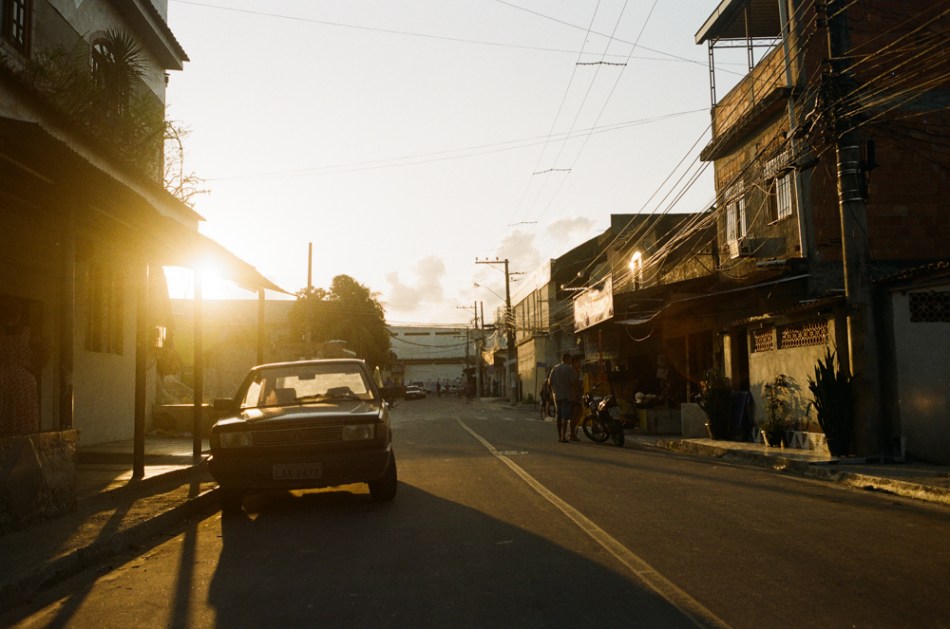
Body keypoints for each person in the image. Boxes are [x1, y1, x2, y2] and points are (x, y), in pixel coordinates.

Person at [0, 297, 40, 436]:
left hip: (3, 379)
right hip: (23, 380)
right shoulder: (27, 332)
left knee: (5, 412)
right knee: (23, 414)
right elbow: (43, 352)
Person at [547, 352, 577, 443]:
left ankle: (559, 436)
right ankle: (563, 437)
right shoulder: (570, 369)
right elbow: (574, 383)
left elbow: (549, 383)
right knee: (565, 416)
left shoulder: (554, 369)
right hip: (566, 396)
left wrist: (552, 393)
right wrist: (574, 394)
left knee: (559, 416)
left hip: (557, 396)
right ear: (568, 359)